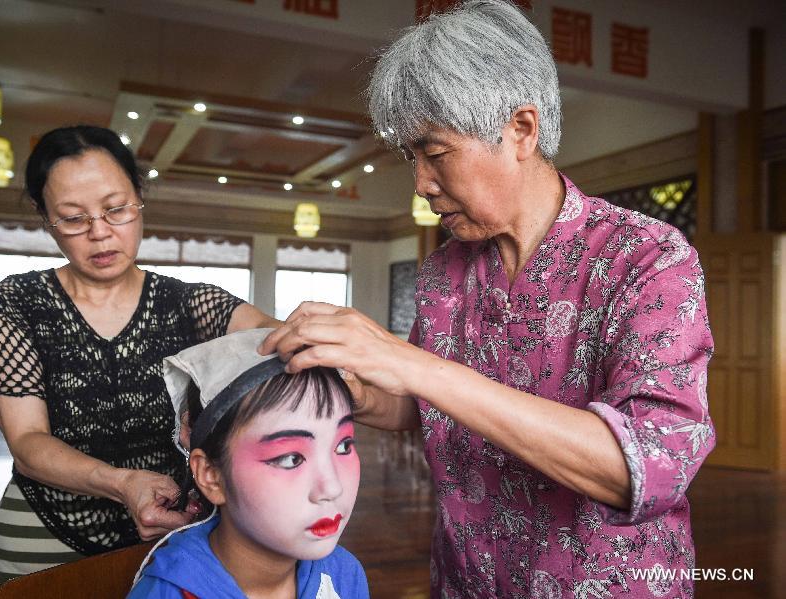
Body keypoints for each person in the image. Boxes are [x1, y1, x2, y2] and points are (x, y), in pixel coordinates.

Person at [260, 1, 715, 597]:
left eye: (436, 153)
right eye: (411, 158)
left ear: (521, 130)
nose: (420, 184)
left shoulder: (646, 257)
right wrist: (338, 379)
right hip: (468, 577)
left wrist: (410, 362)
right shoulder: (447, 270)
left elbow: (647, 467)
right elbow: (418, 406)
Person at [0, 125, 277, 597]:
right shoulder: (18, 301)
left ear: (139, 198)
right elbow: (29, 442)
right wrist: (124, 483)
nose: (99, 233)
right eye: (73, 219)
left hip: (173, 532)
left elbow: (278, 343)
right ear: (45, 219)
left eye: (116, 209)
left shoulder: (191, 303)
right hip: (44, 531)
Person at [127, 328, 369, 599]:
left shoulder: (344, 575)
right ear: (211, 475)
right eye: (292, 458)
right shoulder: (166, 593)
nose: (332, 488)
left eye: (343, 446)